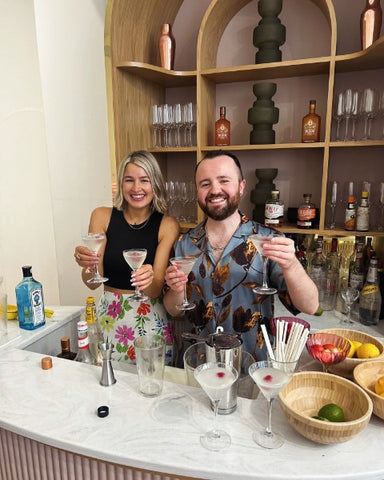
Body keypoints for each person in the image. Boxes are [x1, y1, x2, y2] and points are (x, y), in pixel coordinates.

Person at [163, 150, 319, 362]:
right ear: (197, 191)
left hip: (250, 364)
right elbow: (174, 311)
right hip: (198, 362)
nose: (215, 190)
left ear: (241, 186)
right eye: (205, 184)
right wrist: (176, 290)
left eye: (224, 180)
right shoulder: (184, 244)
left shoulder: (268, 239)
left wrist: (291, 265)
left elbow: (309, 306)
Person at [74, 150, 179, 365]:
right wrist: (86, 265)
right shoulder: (101, 216)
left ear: (155, 184)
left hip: (149, 321)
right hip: (108, 320)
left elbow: (156, 289)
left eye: (144, 180)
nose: (136, 188)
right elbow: (93, 283)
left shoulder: (167, 225)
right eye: (129, 180)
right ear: (121, 184)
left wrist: (148, 279)